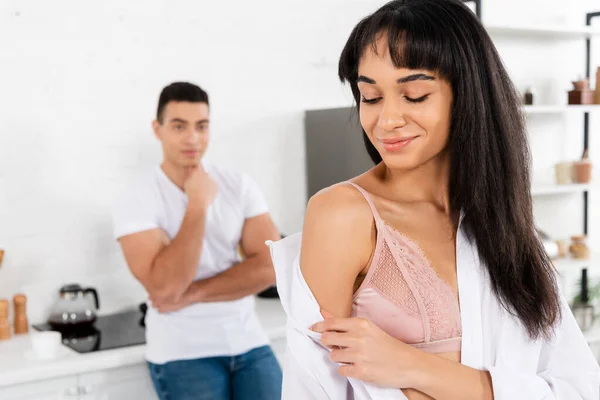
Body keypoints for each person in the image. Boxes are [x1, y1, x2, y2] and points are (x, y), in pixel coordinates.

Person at [267, 1, 600, 399]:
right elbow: (311, 390)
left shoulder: (507, 227)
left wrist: (413, 367)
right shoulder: (344, 215)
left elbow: (579, 387)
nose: (386, 119)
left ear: (469, 96)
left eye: (415, 95)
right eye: (370, 97)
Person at [113, 82, 282, 400]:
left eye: (201, 126)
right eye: (179, 126)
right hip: (182, 352)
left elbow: (272, 267)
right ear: (157, 129)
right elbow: (164, 288)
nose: (192, 138)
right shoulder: (136, 197)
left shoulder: (238, 185)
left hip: (248, 340)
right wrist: (197, 206)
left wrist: (192, 293)